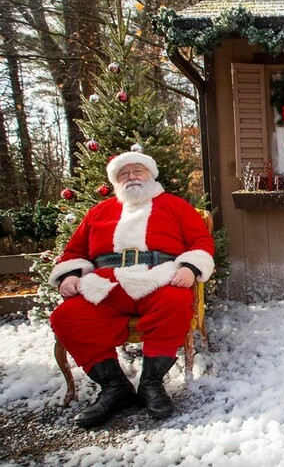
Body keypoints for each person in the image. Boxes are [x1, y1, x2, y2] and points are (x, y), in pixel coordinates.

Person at [49, 151, 215, 427]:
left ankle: (151, 384)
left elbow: (200, 241)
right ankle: (115, 387)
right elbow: (74, 251)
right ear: (116, 181)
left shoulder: (175, 206)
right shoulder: (98, 212)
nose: (131, 177)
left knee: (175, 302)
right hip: (107, 284)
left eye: (138, 171)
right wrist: (70, 275)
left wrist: (189, 268)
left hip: (159, 277)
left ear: (151, 175)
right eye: (123, 174)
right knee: (66, 317)